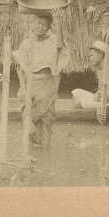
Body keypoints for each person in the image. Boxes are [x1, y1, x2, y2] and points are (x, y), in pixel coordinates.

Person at [12, 11, 68, 147]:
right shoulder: (25, 45)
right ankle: (28, 158)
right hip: (30, 85)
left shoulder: (52, 41)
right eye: (39, 23)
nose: (41, 27)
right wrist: (24, 90)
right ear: (33, 23)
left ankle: (45, 154)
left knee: (45, 123)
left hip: (47, 85)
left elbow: (60, 45)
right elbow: (20, 71)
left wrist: (57, 20)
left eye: (45, 25)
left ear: (49, 29)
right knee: (29, 125)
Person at [71, 41, 109, 122]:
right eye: (89, 56)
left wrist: (99, 107)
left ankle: (88, 114)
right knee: (75, 92)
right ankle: (88, 112)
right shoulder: (100, 70)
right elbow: (101, 90)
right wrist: (97, 95)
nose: (90, 58)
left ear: (100, 55)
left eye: (92, 55)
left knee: (77, 103)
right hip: (103, 99)